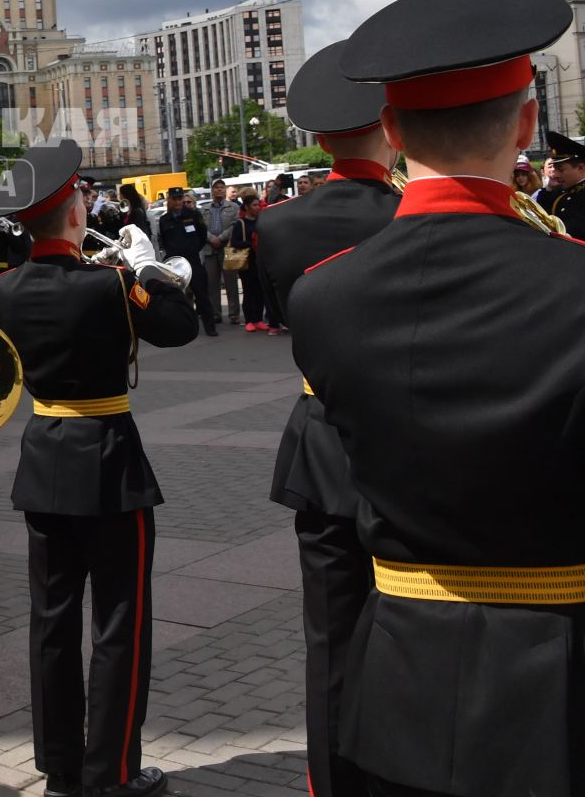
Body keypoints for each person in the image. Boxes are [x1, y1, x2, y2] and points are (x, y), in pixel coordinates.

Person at [294, 0, 585, 797]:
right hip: (576, 681)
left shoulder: (322, 294)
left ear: (388, 127)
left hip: (397, 684)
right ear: (526, 122)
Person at [0, 139, 196, 797]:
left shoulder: (4, 287)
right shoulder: (110, 285)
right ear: (74, 212)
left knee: (51, 623)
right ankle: (113, 771)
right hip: (108, 463)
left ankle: (61, 768)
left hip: (45, 455)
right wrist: (150, 271)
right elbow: (180, 327)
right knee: (118, 623)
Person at [254, 42, 401, 797]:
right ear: (391, 124)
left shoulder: (277, 224)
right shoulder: (410, 212)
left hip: (319, 440)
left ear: (316, 139)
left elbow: (285, 316)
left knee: (332, 638)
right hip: (414, 443)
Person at [154, 188, 214, 335]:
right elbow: (164, 240)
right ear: (169, 200)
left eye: (180, 198)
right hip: (175, 263)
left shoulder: (193, 215)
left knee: (202, 295)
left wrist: (193, 248)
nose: (178, 202)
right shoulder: (165, 219)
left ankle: (210, 327)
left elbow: (202, 234)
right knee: (177, 297)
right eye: (174, 199)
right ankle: (182, 327)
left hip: (192, 260)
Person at [199, 179, 239, 327]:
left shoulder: (234, 207)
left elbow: (235, 225)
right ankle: (216, 313)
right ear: (212, 190)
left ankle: (234, 314)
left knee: (231, 283)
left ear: (225, 190)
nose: (219, 190)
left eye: (222, 187)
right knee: (212, 284)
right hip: (210, 249)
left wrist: (221, 238)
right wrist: (211, 238)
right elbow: (201, 227)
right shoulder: (204, 209)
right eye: (216, 188)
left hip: (228, 249)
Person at [229, 196, 271, 331]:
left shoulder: (261, 221)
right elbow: (234, 242)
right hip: (246, 262)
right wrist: (250, 244)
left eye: (258, 205)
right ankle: (249, 320)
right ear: (246, 207)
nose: (258, 207)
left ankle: (258, 319)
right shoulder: (240, 223)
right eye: (254, 205)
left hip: (260, 261)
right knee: (249, 291)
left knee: (260, 291)